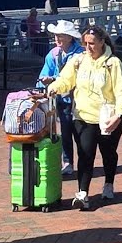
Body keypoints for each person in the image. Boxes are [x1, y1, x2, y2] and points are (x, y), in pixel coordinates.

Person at [46, 25, 122, 210]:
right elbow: (65, 80)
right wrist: (54, 87)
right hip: (83, 116)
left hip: (108, 117)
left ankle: (109, 183)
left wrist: (119, 114)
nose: (88, 47)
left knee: (108, 153)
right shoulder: (78, 61)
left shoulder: (113, 63)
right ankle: (82, 192)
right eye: (85, 43)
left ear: (102, 42)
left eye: (92, 43)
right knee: (85, 154)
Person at [37, 20, 85, 176]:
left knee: (81, 133)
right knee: (65, 131)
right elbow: (44, 74)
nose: (57, 39)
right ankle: (68, 162)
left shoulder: (80, 54)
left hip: (80, 99)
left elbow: (81, 76)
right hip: (62, 100)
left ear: (70, 37)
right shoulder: (53, 54)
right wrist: (43, 82)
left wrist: (54, 79)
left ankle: (84, 161)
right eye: (56, 35)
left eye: (61, 36)